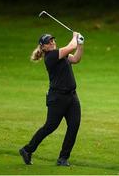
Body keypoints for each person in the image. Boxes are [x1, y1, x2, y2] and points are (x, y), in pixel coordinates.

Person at [19, 31, 84, 166]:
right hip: (57, 98)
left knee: (74, 125)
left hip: (72, 97)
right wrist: (75, 38)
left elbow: (76, 59)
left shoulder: (62, 55)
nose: (52, 42)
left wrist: (80, 44)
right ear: (43, 47)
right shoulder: (51, 56)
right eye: (49, 42)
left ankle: (63, 158)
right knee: (50, 126)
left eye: (53, 40)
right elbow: (70, 47)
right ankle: (27, 149)